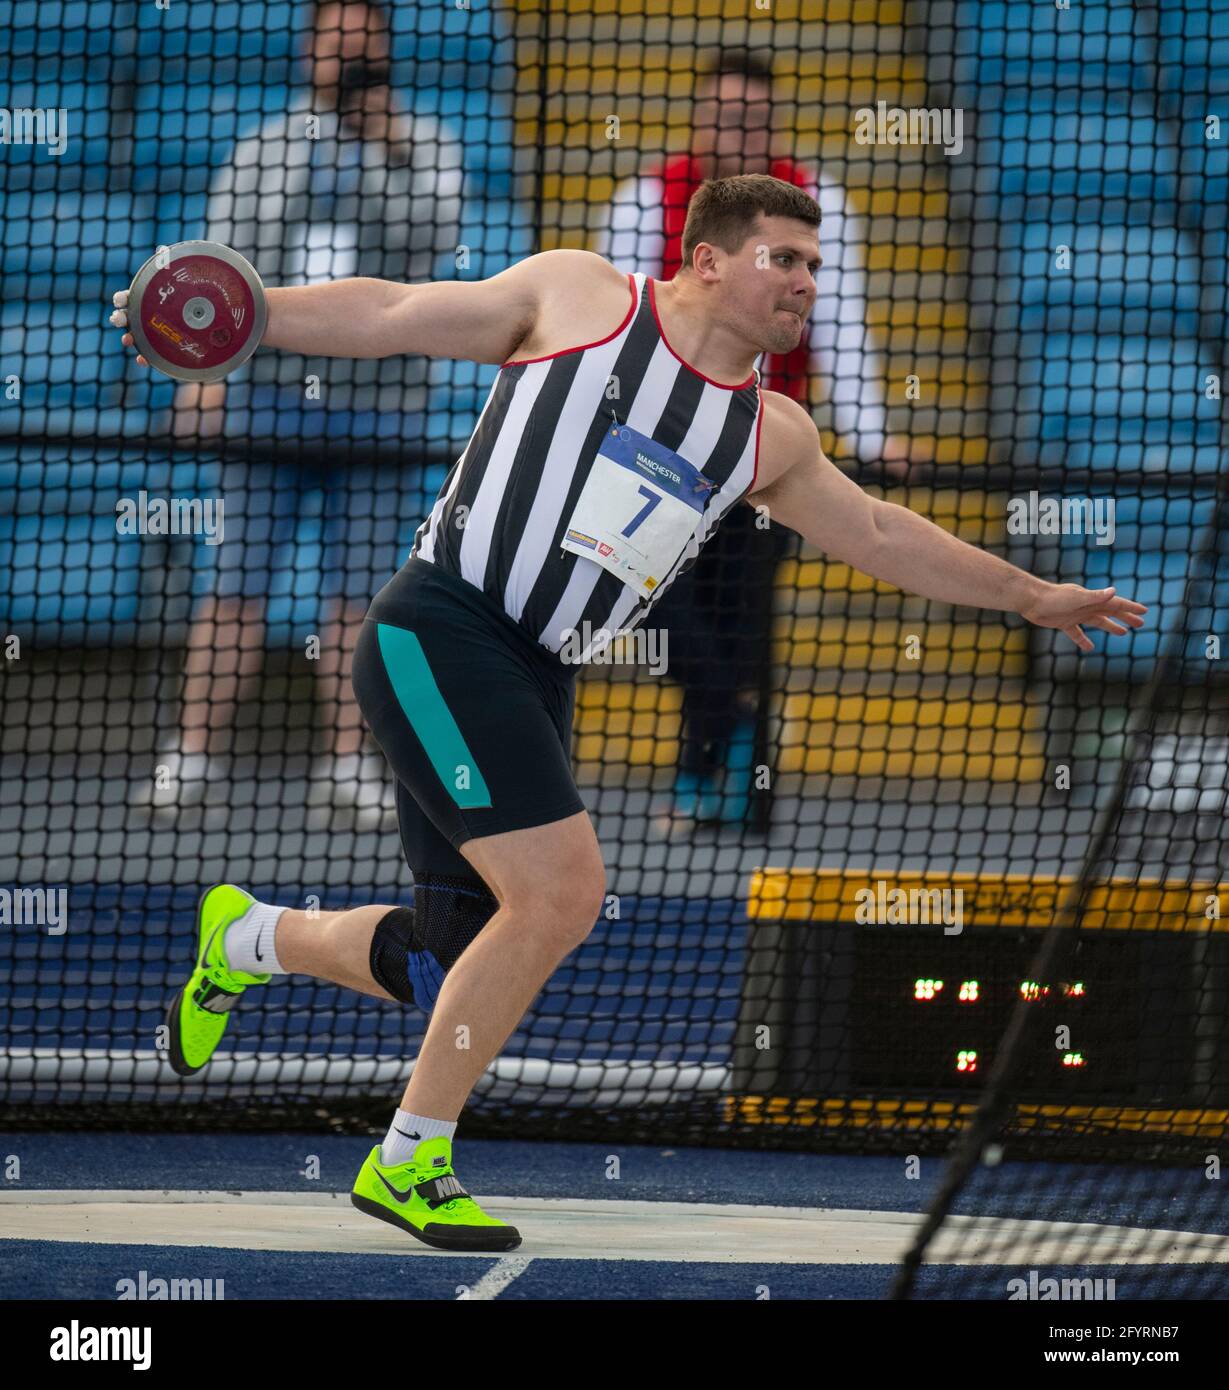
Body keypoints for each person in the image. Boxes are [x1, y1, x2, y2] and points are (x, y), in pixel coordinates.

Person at [112, 174, 1146, 1251]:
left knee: (443, 962)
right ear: (707, 257)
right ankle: (408, 1157)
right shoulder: (580, 296)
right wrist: (254, 312)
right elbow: (394, 311)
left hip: (536, 672)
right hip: (441, 629)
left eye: (811, 262)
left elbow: (881, 536)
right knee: (562, 893)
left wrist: (1029, 593)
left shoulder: (766, 434)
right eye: (780, 258)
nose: (804, 280)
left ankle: (249, 936)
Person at [136, 0, 464, 827]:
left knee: (359, 596)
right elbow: (222, 265)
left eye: (364, 42)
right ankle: (192, 755)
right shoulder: (268, 146)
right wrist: (203, 378)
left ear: (385, 51)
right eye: (334, 41)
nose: (348, 55)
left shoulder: (423, 145)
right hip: (271, 399)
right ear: (310, 50)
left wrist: (384, 144)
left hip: (382, 407)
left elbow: (431, 240)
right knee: (235, 587)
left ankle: (351, 765)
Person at [595, 46, 921, 824]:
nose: (737, 127)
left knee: (744, 612)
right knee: (660, 598)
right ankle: (732, 733)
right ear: (699, 118)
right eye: (723, 113)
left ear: (771, 122)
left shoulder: (818, 204)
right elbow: (621, 325)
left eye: (752, 115)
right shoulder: (644, 199)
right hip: (660, 451)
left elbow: (839, 325)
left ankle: (717, 787)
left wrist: (874, 439)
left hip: (764, 446)